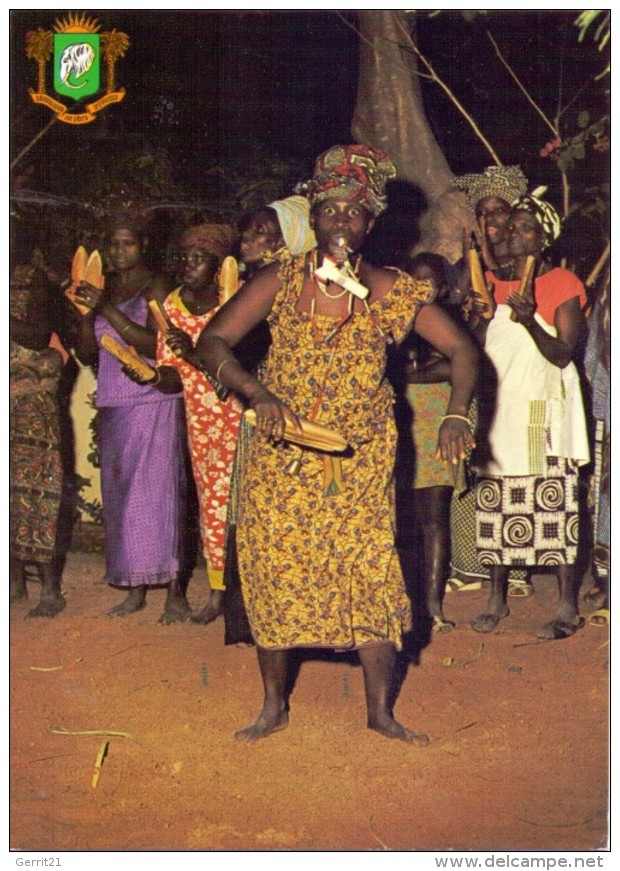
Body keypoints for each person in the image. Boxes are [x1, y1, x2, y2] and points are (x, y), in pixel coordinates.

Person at [191, 144, 479, 742]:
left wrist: (456, 413)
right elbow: (213, 341)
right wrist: (257, 393)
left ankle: (380, 713)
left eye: (354, 212)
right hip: (282, 450)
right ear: (314, 216)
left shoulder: (392, 289)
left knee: (368, 569)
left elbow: (462, 350)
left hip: (361, 456)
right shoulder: (281, 277)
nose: (341, 221)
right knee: (275, 568)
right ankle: (274, 705)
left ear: (370, 222)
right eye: (331, 210)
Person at [468, 193, 590, 640]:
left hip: (543, 409)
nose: (515, 234)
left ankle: (566, 608)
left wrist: (530, 321)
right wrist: (482, 317)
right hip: (501, 410)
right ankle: (496, 600)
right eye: (512, 227)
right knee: (496, 505)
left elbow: (562, 355)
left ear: (544, 237)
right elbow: (480, 351)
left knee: (554, 505)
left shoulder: (562, 282)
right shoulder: (489, 285)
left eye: (526, 228)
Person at [70, 212, 190, 623]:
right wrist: (87, 315)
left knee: (160, 493)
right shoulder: (104, 286)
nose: (120, 252)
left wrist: (106, 308)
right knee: (124, 498)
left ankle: (175, 592)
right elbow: (88, 355)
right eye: (114, 244)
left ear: (144, 245)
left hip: (153, 400)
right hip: (114, 402)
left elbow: (161, 346)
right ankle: (135, 587)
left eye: (129, 244)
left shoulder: (155, 285)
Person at [124, 222, 244, 626]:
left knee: (242, 503)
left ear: (218, 265)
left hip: (240, 415)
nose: (188, 266)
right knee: (211, 503)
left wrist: (193, 354)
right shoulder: (172, 305)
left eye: (198, 259)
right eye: (185, 258)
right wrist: (151, 376)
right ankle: (216, 593)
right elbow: (173, 372)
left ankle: (248, 593)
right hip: (201, 420)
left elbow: (233, 370)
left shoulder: (235, 299)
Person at [449, 165, 532, 597]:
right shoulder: (469, 269)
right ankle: (471, 562)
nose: (490, 222)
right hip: (481, 382)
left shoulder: (529, 269)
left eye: (498, 213)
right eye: (482, 214)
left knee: (515, 474)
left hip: (522, 384)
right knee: (477, 470)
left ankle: (515, 568)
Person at [394, 252, 467, 634]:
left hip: (439, 424)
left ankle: (433, 604)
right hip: (403, 423)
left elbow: (460, 365)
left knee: (434, 519)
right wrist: (431, 367)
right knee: (403, 518)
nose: (421, 288)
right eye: (414, 280)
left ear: (442, 287)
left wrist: (413, 371)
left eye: (429, 282)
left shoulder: (451, 322)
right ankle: (406, 602)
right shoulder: (396, 319)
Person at [10, 222, 67, 617]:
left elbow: (35, 335)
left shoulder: (34, 279)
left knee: (37, 493)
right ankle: (14, 582)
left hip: (31, 404)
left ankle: (50, 589)